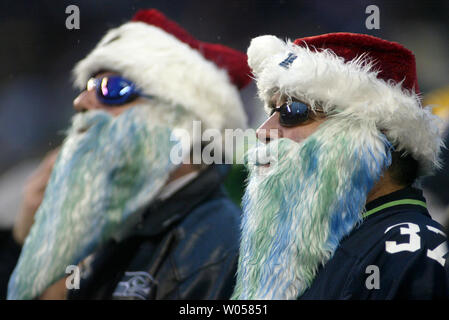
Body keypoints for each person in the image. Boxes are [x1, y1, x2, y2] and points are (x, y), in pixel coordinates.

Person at [3, 9, 251, 300]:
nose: (81, 101)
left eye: (113, 88)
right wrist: (31, 248)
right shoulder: (113, 229)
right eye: (88, 87)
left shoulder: (222, 250)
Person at [231, 32, 449, 300]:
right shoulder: (307, 243)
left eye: (292, 112)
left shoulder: (413, 256)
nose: (263, 131)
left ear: (374, 135)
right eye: (271, 111)